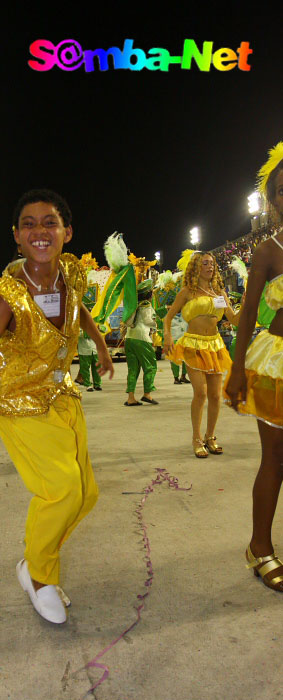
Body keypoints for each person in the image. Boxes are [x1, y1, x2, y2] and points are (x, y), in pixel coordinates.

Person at [0, 189, 114, 624]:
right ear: (16, 237)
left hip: (62, 395)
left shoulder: (71, 273)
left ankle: (34, 561)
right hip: (17, 401)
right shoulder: (7, 295)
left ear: (66, 232)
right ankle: (39, 576)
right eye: (28, 224)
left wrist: (102, 346)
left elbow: (80, 310)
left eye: (49, 222)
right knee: (62, 488)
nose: (39, 230)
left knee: (86, 495)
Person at [224, 143, 283, 591]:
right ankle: (260, 547)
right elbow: (245, 314)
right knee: (275, 460)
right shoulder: (268, 248)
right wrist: (237, 368)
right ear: (271, 201)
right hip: (277, 364)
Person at [163, 251, 242, 457]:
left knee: (216, 396)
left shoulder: (220, 293)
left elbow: (234, 320)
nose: (210, 267)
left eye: (212, 264)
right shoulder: (188, 291)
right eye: (206, 263)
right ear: (196, 267)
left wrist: (249, 300)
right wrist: (167, 336)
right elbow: (168, 318)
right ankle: (196, 438)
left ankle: (210, 436)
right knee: (201, 392)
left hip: (215, 345)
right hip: (193, 344)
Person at [123, 279, 158, 406]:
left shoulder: (134, 305)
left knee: (133, 369)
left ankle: (130, 398)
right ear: (149, 294)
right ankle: (147, 394)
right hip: (142, 339)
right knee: (150, 366)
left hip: (129, 338)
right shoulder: (146, 306)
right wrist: (157, 322)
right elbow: (149, 321)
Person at [170, 311, 190, 384]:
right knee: (175, 360)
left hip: (185, 340)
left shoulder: (185, 315)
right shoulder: (169, 316)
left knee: (186, 360)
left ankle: (183, 376)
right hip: (174, 340)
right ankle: (176, 378)